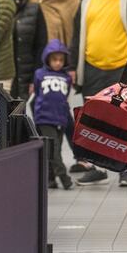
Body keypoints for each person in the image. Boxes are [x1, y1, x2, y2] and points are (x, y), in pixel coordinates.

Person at [70, 0, 127, 187]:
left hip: (120, 71)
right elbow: (78, 32)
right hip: (91, 68)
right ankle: (96, 167)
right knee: (92, 122)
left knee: (121, 123)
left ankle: (124, 169)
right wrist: (73, 66)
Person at [33, 39, 74, 190]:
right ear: (47, 59)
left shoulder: (67, 78)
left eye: (61, 60)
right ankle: (64, 178)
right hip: (44, 118)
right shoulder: (39, 74)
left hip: (61, 119)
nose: (57, 63)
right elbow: (37, 93)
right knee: (54, 150)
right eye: (54, 59)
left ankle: (50, 179)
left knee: (53, 149)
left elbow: (65, 97)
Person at [5, 0, 47, 101]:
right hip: (4, 74)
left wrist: (36, 77)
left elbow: (41, 45)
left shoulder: (35, 9)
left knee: (20, 116)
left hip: (27, 75)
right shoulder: (0, 6)